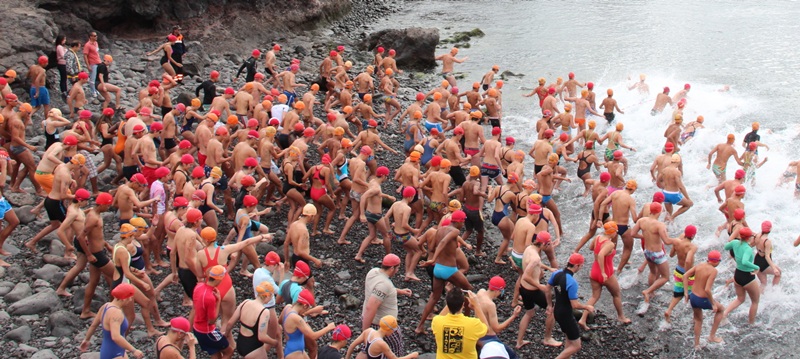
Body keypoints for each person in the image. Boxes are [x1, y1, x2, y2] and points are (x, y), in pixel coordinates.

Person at [578, 222, 631, 329]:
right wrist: (603, 272)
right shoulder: (610, 244)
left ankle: (583, 319)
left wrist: (603, 253)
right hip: (606, 274)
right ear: (613, 232)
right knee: (616, 295)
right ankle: (621, 317)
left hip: (593, 272)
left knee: (594, 296)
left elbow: (591, 248)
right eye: (616, 231)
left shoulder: (597, 237)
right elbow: (601, 255)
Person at [361, 253, 413, 356]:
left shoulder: (373, 272)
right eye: (397, 268)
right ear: (392, 268)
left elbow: (380, 289)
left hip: (372, 321)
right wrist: (366, 332)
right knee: (395, 352)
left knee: (368, 351)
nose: (398, 271)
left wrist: (400, 291)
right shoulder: (384, 284)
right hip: (382, 326)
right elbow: (370, 307)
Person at [547, 253, 594, 359]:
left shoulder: (557, 274)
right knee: (577, 345)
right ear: (576, 265)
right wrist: (587, 307)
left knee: (569, 337)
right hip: (566, 315)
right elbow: (575, 305)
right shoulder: (572, 282)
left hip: (557, 311)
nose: (581, 268)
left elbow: (547, 289)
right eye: (581, 266)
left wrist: (549, 305)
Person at [80, 283, 144, 359]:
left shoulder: (106, 306)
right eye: (129, 297)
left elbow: (94, 325)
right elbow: (115, 336)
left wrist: (86, 339)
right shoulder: (116, 313)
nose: (130, 300)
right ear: (123, 298)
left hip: (109, 350)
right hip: (114, 353)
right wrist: (134, 350)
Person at [223, 282, 279, 359]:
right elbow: (262, 337)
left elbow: (230, 323)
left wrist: (226, 335)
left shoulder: (245, 302)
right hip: (254, 348)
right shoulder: (264, 312)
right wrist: (274, 342)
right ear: (268, 296)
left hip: (240, 343)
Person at [683, 251, 724, 349]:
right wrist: (713, 303)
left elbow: (685, 276)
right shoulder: (713, 271)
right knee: (721, 309)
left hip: (693, 297)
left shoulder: (699, 265)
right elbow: (707, 289)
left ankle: (696, 344)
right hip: (702, 299)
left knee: (698, 320)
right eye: (719, 261)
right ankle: (712, 336)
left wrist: (685, 292)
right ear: (714, 261)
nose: (719, 263)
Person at [431, 289, 488, 359]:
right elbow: (486, 328)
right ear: (463, 305)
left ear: (447, 303)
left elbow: (440, 316)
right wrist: (476, 305)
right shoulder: (473, 324)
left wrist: (451, 302)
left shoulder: (437, 321)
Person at [280, 289, 336, 359]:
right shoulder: (296, 318)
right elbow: (313, 336)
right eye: (307, 309)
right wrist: (328, 327)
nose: (306, 312)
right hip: (294, 353)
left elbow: (280, 321)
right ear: (305, 306)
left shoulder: (287, 308)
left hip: (296, 349)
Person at [193, 265, 235, 359]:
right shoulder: (210, 297)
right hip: (207, 331)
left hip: (197, 328)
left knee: (215, 352)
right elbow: (211, 320)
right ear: (218, 279)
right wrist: (218, 301)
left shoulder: (198, 286)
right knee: (229, 351)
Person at [476, 276, 522, 358]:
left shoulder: (480, 292)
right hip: (488, 337)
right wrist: (513, 316)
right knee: (513, 356)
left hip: (476, 334)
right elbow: (497, 328)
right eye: (502, 290)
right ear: (498, 290)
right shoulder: (490, 305)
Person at [723, 227, 760, 324]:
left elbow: (726, 247)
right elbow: (745, 261)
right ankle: (751, 324)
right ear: (749, 238)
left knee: (740, 299)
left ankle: (724, 313)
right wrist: (756, 267)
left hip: (737, 275)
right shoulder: (748, 249)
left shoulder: (735, 243)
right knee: (755, 302)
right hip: (748, 277)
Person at [664, 225, 698, 323]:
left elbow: (671, 255)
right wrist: (688, 273)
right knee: (693, 294)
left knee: (678, 293)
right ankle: (696, 318)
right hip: (688, 273)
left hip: (678, 270)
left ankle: (669, 310)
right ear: (693, 235)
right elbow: (688, 261)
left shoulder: (676, 242)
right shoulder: (692, 247)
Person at [346, 315, 420, 359]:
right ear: (389, 330)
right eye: (393, 330)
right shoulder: (381, 344)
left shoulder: (368, 331)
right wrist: (412, 355)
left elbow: (352, 345)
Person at [754, 221, 781, 292]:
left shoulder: (757, 235)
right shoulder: (767, 241)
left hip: (757, 260)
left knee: (763, 283)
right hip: (764, 263)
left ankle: (758, 299)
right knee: (779, 273)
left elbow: (751, 244)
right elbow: (767, 256)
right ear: (770, 229)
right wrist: (774, 268)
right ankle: (774, 291)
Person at [83, 32, 101, 97]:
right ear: (90, 37)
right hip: (92, 63)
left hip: (98, 62)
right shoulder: (87, 45)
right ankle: (93, 91)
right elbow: (85, 55)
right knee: (92, 78)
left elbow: (97, 52)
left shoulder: (96, 43)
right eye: (94, 36)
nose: (96, 37)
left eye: (96, 36)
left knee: (97, 77)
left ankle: (96, 89)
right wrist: (88, 65)